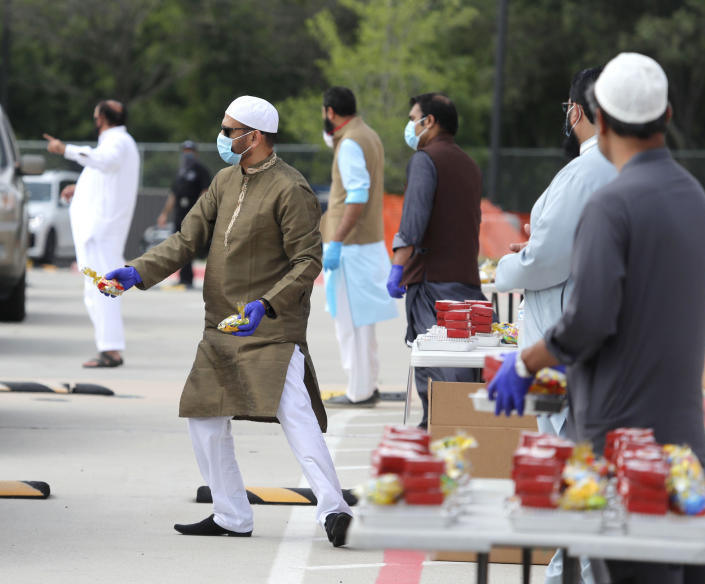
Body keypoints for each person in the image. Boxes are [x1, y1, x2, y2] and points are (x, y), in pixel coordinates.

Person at [489, 52, 705, 583]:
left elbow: (587, 322)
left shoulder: (612, 204)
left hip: (622, 447)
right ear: (669, 116)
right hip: (686, 449)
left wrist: (526, 364)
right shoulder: (695, 199)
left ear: (600, 120)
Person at [103, 96, 354, 546]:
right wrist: (137, 271)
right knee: (203, 415)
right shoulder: (223, 180)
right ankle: (231, 514)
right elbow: (185, 239)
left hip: (270, 327)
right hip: (222, 324)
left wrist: (268, 304)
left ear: (253, 137)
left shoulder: (290, 188)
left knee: (295, 414)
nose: (222, 137)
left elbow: (307, 261)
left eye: (228, 129)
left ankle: (334, 510)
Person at [495, 67, 616, 584]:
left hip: (565, 341)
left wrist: (508, 267)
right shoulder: (632, 173)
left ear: (581, 111)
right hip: (592, 346)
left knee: (575, 468)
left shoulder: (588, 172)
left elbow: (550, 258)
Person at [386, 93, 488, 428]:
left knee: (435, 368)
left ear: (428, 121)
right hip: (467, 281)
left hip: (431, 283)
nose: (410, 124)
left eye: (413, 117)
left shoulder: (425, 159)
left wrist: (398, 267)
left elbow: (412, 223)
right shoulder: (468, 164)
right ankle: (466, 435)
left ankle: (441, 436)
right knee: (465, 366)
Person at [43, 100, 139, 368]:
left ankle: (110, 350)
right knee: (97, 288)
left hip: (101, 231)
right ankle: (109, 347)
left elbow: (104, 162)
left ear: (100, 119)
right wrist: (80, 188)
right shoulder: (117, 143)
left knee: (102, 288)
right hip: (100, 231)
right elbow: (104, 172)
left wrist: (65, 149)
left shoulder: (117, 143)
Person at [318, 87, 398, 408]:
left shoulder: (350, 142)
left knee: (351, 326)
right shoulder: (367, 135)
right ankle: (366, 385)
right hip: (365, 245)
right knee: (362, 325)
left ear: (330, 112)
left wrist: (335, 239)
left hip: (350, 246)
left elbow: (357, 194)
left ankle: (359, 391)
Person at [157, 140, 211, 289]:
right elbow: (173, 195)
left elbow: (205, 191)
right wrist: (164, 214)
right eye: (185, 151)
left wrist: (198, 210)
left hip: (192, 212)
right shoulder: (181, 172)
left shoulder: (201, 170)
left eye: (190, 151)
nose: (187, 154)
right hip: (179, 213)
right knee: (179, 246)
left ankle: (188, 279)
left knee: (189, 245)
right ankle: (182, 277)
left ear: (195, 152)